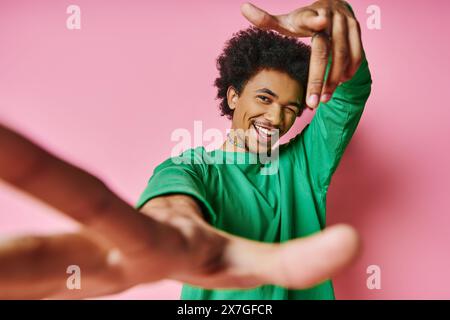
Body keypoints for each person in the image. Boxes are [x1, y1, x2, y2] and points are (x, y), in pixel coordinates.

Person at [0, 0, 369, 299]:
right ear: (234, 96)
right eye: (264, 98)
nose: (276, 116)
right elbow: (172, 201)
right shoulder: (193, 167)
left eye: (291, 108)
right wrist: (169, 229)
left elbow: (351, 94)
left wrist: (338, 19)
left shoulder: (304, 165)